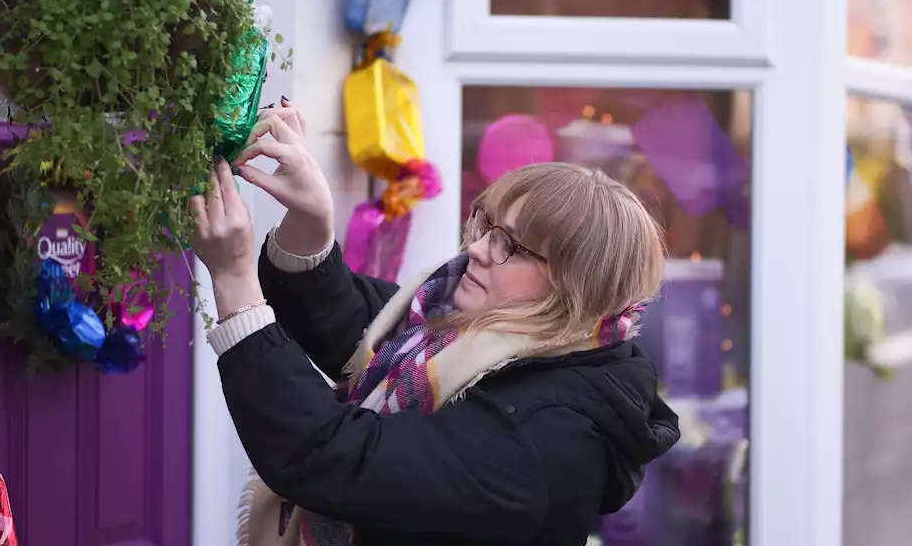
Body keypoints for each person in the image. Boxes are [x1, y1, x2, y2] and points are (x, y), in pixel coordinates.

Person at [190, 100, 680, 546]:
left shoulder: (547, 438)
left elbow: (338, 460)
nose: (478, 249)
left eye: (510, 245)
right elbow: (350, 325)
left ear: (576, 289)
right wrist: (312, 221)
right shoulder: (455, 326)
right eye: (486, 225)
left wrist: (234, 283)